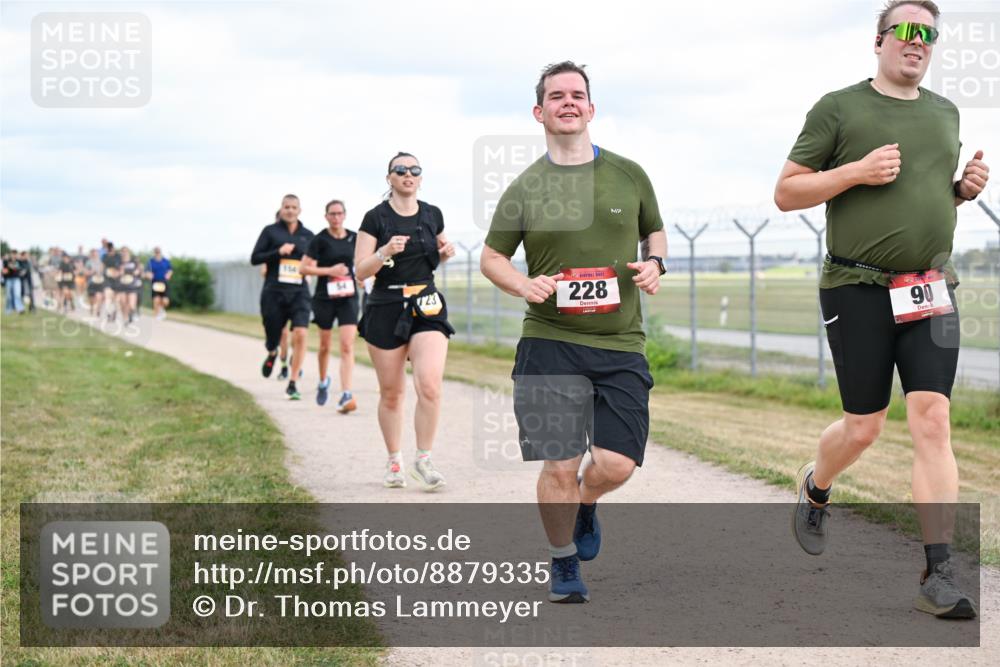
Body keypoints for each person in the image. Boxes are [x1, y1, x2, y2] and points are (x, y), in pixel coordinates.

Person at [774, 0, 988, 620]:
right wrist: (855, 172)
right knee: (864, 427)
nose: (919, 42)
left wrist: (959, 193)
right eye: (908, 31)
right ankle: (816, 487)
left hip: (929, 289)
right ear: (879, 41)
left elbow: (927, 197)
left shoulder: (945, 113)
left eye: (931, 35)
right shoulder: (839, 107)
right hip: (856, 287)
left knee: (932, 420)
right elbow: (787, 191)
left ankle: (938, 572)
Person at [481, 61, 667, 603]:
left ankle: (587, 502)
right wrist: (521, 284)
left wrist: (656, 264)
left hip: (620, 343)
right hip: (550, 341)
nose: (569, 102)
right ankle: (563, 564)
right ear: (540, 111)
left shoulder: (629, 174)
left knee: (616, 463)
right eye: (557, 95)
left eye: (578, 95)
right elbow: (493, 256)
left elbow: (653, 232)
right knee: (558, 460)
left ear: (591, 108)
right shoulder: (525, 187)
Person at [355, 152, 456, 490]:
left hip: (426, 302)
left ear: (420, 178)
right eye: (401, 170)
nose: (408, 175)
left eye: (414, 170)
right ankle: (394, 460)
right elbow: (360, 272)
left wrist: (442, 255)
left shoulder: (432, 215)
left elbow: (429, 261)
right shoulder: (375, 218)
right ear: (390, 179)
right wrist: (385, 251)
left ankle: (423, 459)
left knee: (429, 384)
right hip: (385, 304)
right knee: (392, 392)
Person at [251, 194, 314, 399]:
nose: (290, 210)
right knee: (274, 333)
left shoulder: (308, 235)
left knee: (301, 334)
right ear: (281, 209)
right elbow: (255, 258)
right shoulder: (270, 232)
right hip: (274, 292)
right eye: (286, 207)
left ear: (299, 210)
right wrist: (278, 252)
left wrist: (312, 268)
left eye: (294, 207)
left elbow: (316, 261)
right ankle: (272, 352)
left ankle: (293, 382)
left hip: (299, 292)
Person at [301, 199, 359, 411]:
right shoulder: (319, 240)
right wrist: (329, 271)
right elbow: (303, 269)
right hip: (325, 297)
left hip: (348, 297)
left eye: (339, 213)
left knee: (346, 345)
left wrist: (361, 276)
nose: (336, 217)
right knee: (325, 345)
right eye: (332, 214)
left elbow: (362, 262)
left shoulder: (355, 238)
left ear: (345, 215)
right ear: (326, 216)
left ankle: (346, 393)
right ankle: (324, 380)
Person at [146, 246, 173, 320]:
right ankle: (156, 317)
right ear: (154, 253)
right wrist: (149, 275)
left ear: (160, 252)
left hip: (164, 282)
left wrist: (168, 275)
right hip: (155, 282)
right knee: (156, 300)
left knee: (165, 301)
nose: (157, 253)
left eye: (158, 252)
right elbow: (147, 271)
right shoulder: (150, 261)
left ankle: (161, 309)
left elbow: (170, 270)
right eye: (156, 252)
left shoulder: (166, 261)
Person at [102, 242, 121, 321]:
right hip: (108, 280)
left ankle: (114, 313)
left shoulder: (118, 256)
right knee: (107, 297)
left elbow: (122, 267)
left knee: (116, 300)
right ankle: (109, 314)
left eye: (111, 249)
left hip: (117, 280)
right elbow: (102, 267)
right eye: (108, 249)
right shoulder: (104, 257)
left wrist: (118, 273)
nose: (109, 251)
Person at [85, 249, 106, 317]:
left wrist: (101, 272)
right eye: (93, 253)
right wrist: (92, 272)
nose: (94, 254)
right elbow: (86, 273)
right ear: (91, 254)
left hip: (100, 282)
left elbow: (104, 272)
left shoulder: (101, 262)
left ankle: (98, 310)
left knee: (99, 296)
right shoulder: (88, 262)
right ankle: (91, 307)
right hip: (91, 282)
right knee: (92, 298)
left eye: (96, 253)